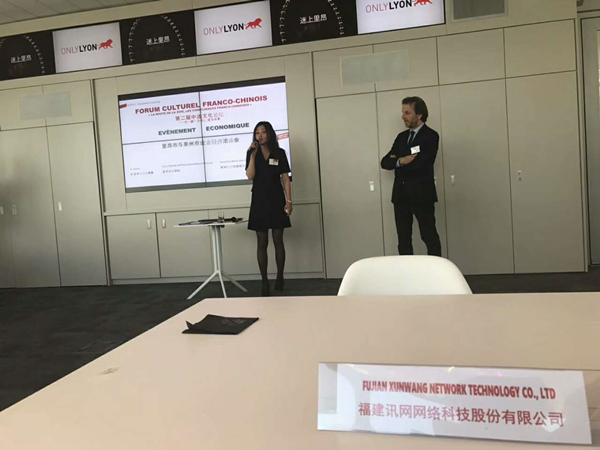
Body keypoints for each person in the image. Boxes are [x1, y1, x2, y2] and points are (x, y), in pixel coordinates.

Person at [380, 96, 442, 257]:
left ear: (419, 115)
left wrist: (398, 160)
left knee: (428, 236)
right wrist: (401, 160)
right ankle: (406, 271)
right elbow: (385, 162)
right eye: (403, 112)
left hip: (422, 195)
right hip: (400, 196)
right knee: (403, 239)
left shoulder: (431, 136)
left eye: (407, 113)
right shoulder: (401, 137)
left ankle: (436, 270)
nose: (403, 117)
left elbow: (422, 164)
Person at [246, 121, 293, 296]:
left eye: (263, 132)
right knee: (262, 242)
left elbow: (285, 178)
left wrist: (289, 201)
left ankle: (280, 276)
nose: (260, 135)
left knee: (278, 240)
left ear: (270, 134)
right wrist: (252, 155)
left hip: (276, 199)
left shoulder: (279, 153)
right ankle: (264, 281)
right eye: (257, 132)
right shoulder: (252, 152)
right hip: (259, 201)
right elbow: (250, 176)